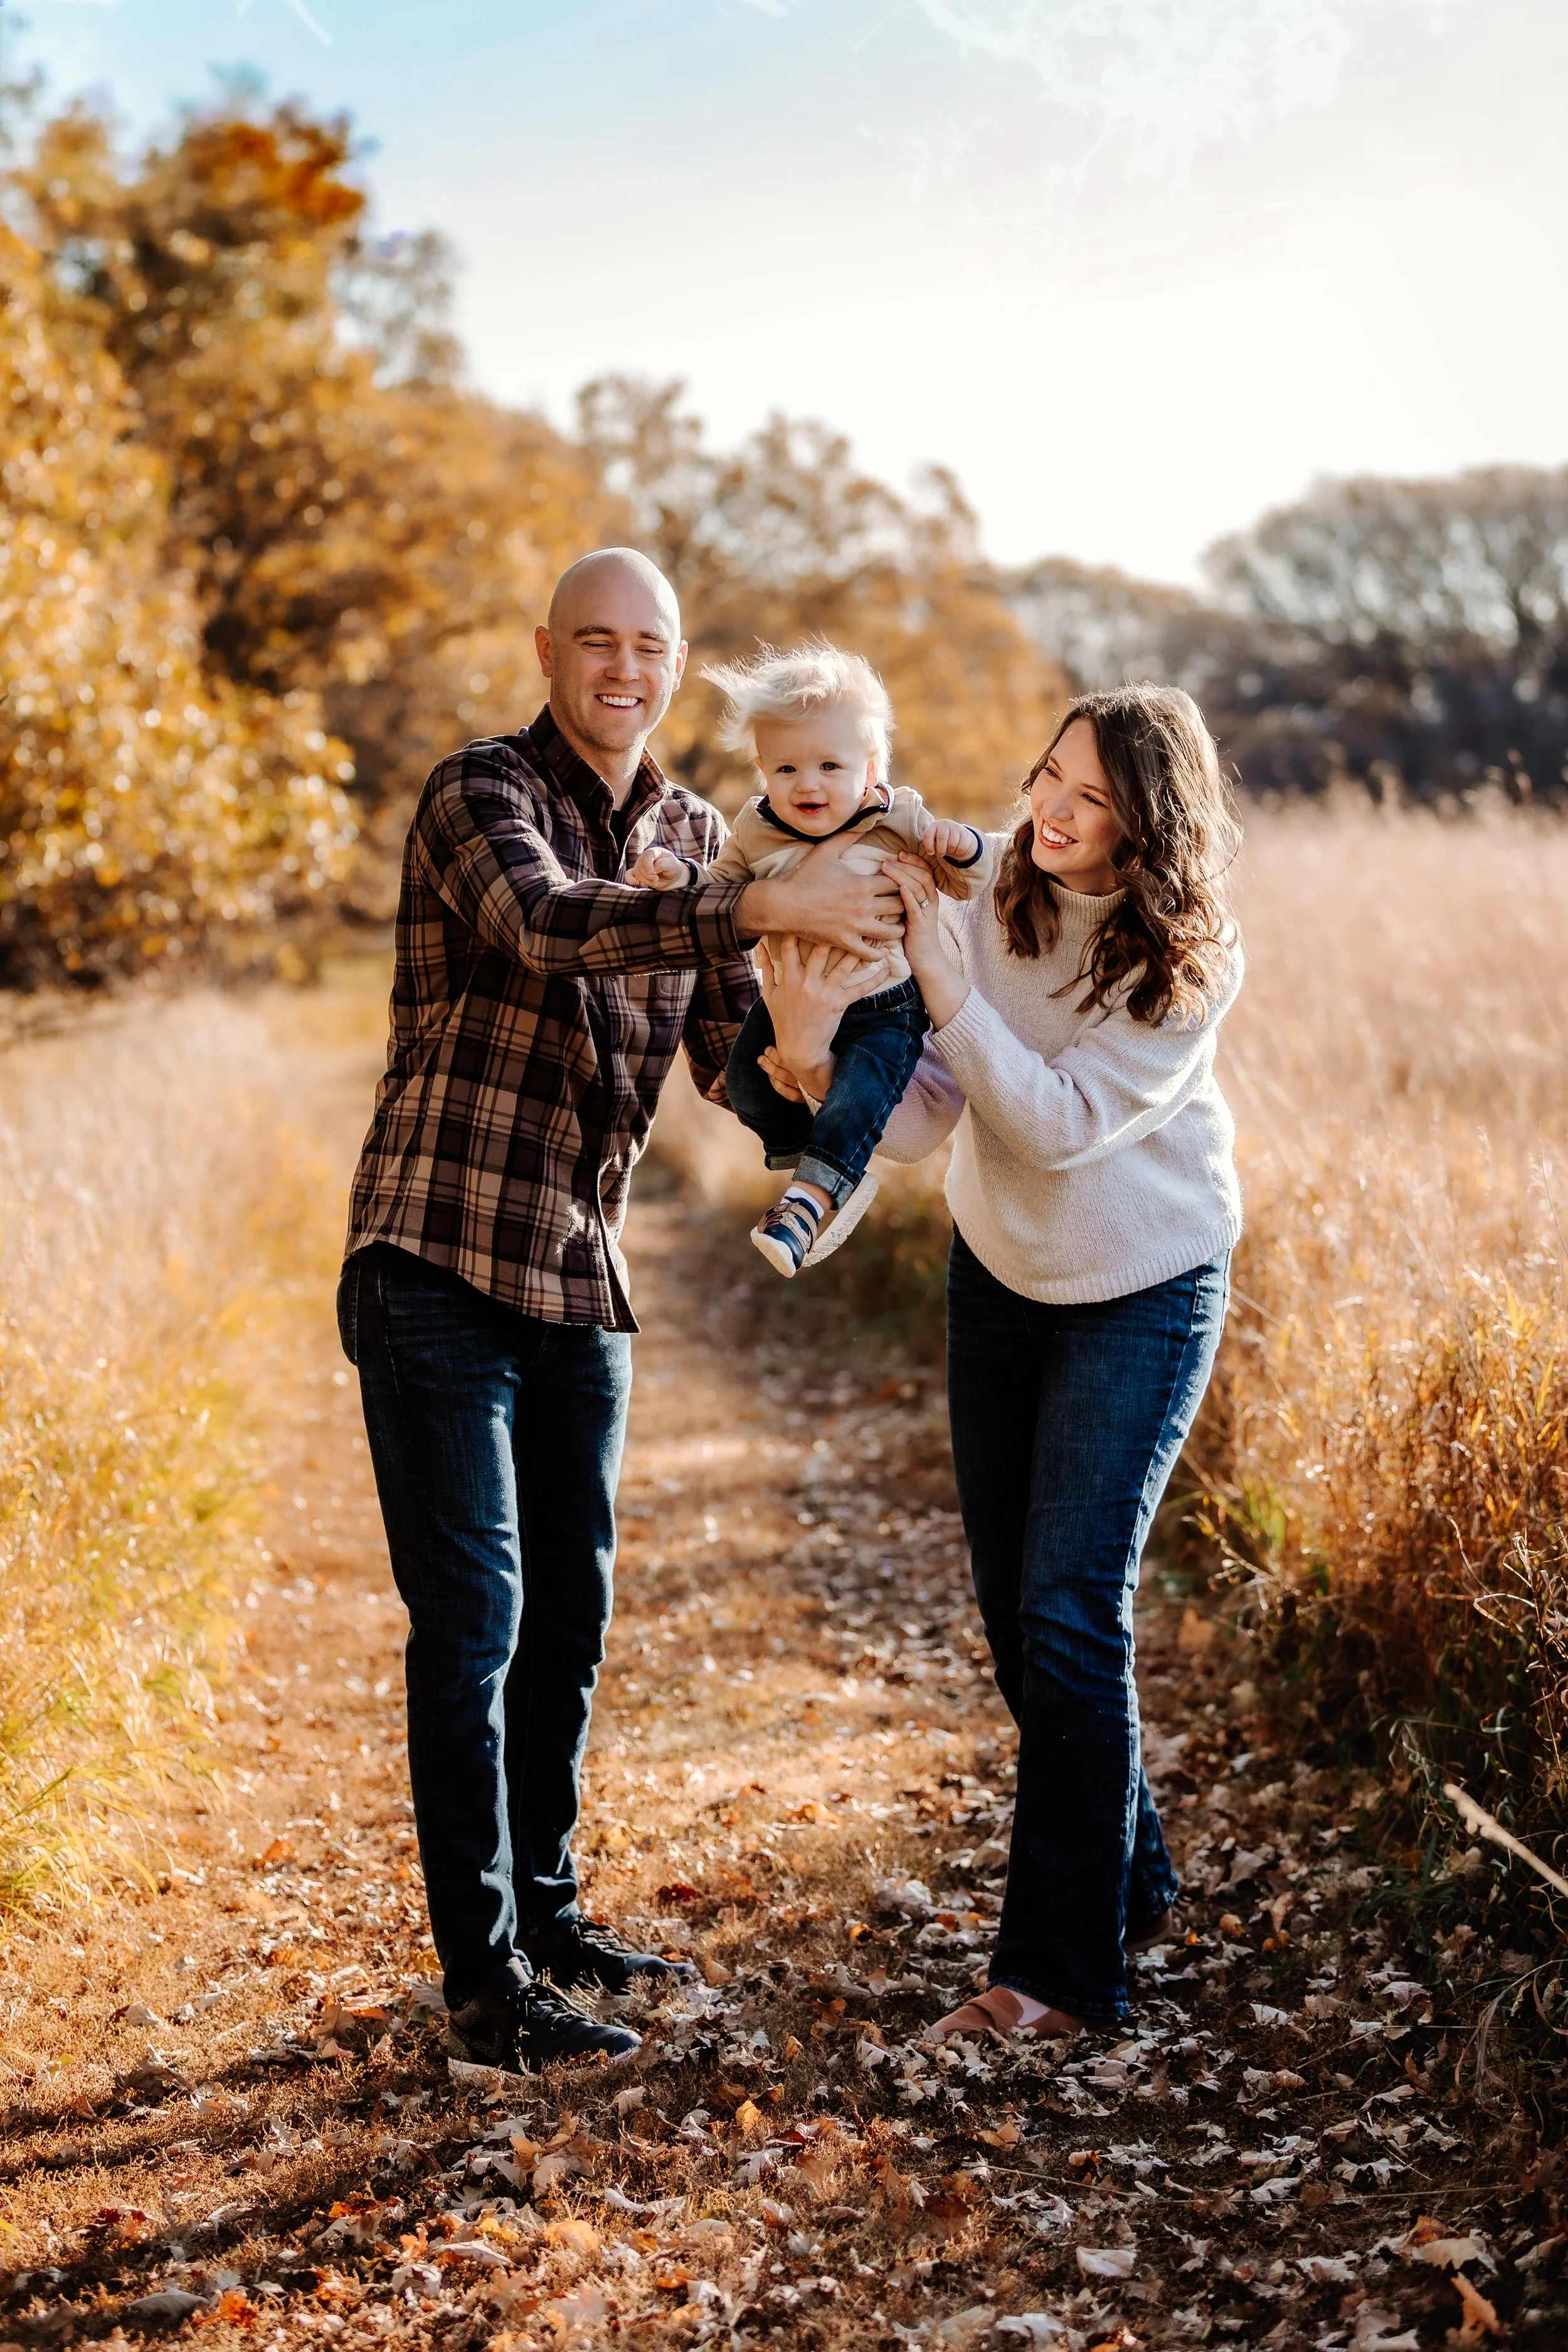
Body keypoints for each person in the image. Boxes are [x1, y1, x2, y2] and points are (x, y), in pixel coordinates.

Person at [337, 548, 906, 2078]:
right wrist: (755, 896)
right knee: (475, 1621)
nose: (623, 668)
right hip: (438, 1254)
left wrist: (807, 1064)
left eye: (647, 645)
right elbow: (549, 926)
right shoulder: (481, 791)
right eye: (594, 641)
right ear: (548, 650)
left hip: (580, 1276)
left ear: (673, 659)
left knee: (571, 1617)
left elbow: (726, 1060)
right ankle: (483, 1982)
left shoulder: (702, 831)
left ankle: (552, 1911)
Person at [763, 686, 1242, 2036]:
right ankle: (1123, 1880)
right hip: (1000, 1270)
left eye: (1086, 800)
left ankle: (1055, 1977)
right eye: (1044, 776)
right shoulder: (994, 891)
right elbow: (923, 1128)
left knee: (1069, 1611)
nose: (1048, 811)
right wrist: (811, 1058)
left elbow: (1051, 1128)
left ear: (1148, 827)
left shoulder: (1185, 963)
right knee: (1008, 1617)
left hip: (1139, 1282)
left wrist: (952, 997)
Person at [629, 645, 987, 1277]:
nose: (809, 783)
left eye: (830, 764)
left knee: (859, 1095)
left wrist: (962, 848)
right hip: (786, 999)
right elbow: (720, 890)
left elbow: (961, 883)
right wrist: (677, 874)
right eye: (787, 768)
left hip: (882, 1005)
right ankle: (819, 1172)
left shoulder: (896, 818)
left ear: (870, 767)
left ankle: (815, 1193)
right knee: (747, 1084)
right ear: (762, 768)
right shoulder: (756, 829)